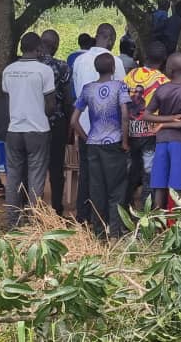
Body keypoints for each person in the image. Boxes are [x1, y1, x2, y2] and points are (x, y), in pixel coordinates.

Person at [71, 53, 130, 238]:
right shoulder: (120, 86)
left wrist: (86, 138)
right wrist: (125, 141)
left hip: (93, 144)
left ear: (96, 69)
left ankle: (99, 233)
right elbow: (125, 115)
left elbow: (73, 121)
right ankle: (115, 233)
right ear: (113, 68)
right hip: (114, 143)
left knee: (97, 189)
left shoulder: (88, 89)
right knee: (116, 189)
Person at [2, 32, 55, 227]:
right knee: (36, 176)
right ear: (39, 48)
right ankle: (35, 222)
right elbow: (50, 105)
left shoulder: (8, 70)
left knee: (13, 177)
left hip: (14, 129)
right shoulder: (44, 71)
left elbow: (8, 98)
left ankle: (13, 222)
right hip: (38, 129)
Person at [143, 52, 181, 210]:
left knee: (159, 185)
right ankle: (175, 223)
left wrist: (163, 123)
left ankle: (156, 221)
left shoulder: (161, 90)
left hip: (162, 141)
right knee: (178, 186)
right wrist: (172, 119)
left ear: (170, 69)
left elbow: (146, 115)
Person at [124, 42, 169, 208]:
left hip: (129, 130)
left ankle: (126, 208)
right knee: (149, 172)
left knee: (131, 170)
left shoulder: (131, 75)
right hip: (151, 133)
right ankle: (146, 210)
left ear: (145, 56)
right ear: (164, 60)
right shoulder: (163, 81)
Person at [38, 29, 73, 217]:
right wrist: (69, 124)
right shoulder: (62, 67)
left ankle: (32, 208)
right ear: (56, 46)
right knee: (56, 167)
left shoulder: (29, 65)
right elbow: (67, 99)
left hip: (33, 122)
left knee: (34, 166)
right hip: (56, 122)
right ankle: (57, 210)